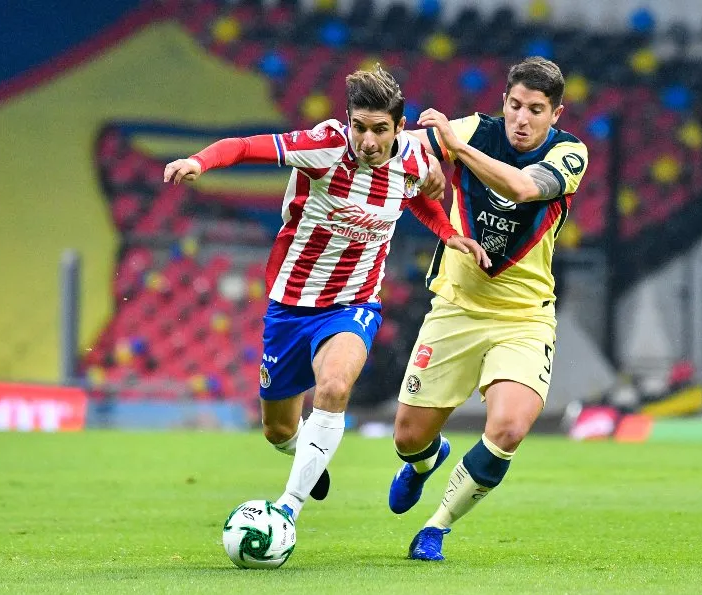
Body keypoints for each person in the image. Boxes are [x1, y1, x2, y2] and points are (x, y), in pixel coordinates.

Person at [163, 66, 490, 523]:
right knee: (278, 430)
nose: (368, 141)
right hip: (290, 305)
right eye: (360, 127)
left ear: (400, 128)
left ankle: (286, 511)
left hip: (354, 303)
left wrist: (447, 232)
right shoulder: (323, 148)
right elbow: (244, 146)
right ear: (348, 121)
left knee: (335, 387)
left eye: (380, 130)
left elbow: (413, 193)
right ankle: (306, 458)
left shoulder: (413, 156)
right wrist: (200, 161)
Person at [386, 57, 589, 560]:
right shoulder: (475, 129)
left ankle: (436, 527)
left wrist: (454, 151)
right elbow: (401, 151)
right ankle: (422, 462)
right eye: (515, 106)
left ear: (556, 115)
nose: (523, 119)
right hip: (455, 308)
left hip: (524, 318)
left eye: (536, 110)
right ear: (504, 103)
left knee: (509, 428)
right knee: (408, 438)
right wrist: (426, 172)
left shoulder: (570, 154)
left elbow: (522, 188)